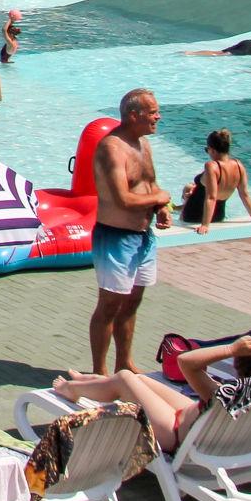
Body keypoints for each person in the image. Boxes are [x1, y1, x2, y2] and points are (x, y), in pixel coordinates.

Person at [47, 334, 251, 458]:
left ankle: (74, 389)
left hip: (178, 433)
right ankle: (92, 381)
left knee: (127, 378)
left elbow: (186, 361)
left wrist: (232, 348)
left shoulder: (223, 394)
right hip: (206, 424)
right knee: (140, 380)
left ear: (235, 365)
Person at [88, 88, 173, 374]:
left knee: (133, 303)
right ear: (134, 115)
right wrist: (158, 199)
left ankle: (124, 361)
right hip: (116, 237)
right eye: (152, 112)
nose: (158, 117)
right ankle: (99, 371)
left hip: (143, 237)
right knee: (109, 305)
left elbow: (151, 186)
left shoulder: (143, 145)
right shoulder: (111, 148)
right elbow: (122, 198)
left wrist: (162, 206)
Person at [176, 129, 251, 233]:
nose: (208, 153)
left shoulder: (211, 166)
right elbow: (244, 194)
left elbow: (211, 197)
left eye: (207, 150)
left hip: (194, 214)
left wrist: (205, 225)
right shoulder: (239, 165)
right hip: (218, 215)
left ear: (212, 150)